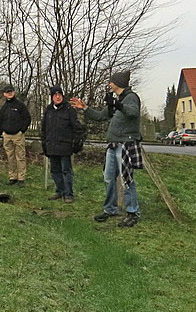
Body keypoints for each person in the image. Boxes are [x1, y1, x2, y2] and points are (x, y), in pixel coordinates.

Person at [70, 70, 143, 228]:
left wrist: (119, 105)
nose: (109, 84)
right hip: (113, 145)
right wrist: (84, 107)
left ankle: (132, 212)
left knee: (126, 179)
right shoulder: (117, 99)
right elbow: (100, 116)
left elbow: (133, 113)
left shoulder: (131, 98)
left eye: (111, 82)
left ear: (118, 83)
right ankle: (110, 209)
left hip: (126, 144)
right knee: (109, 177)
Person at [41, 86, 82, 203]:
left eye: (60, 94)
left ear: (62, 96)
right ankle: (60, 191)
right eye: (55, 95)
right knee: (55, 171)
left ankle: (69, 194)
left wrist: (76, 143)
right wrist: (44, 143)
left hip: (65, 146)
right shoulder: (48, 110)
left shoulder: (69, 110)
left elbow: (77, 128)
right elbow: (44, 129)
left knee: (66, 170)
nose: (57, 97)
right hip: (51, 146)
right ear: (52, 97)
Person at [0, 85, 31, 186]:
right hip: (7, 136)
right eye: (7, 92)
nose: (9, 93)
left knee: (20, 157)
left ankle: (21, 178)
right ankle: (13, 177)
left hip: (18, 135)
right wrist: (1, 132)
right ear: (4, 94)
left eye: (11, 91)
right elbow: (0, 120)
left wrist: (22, 130)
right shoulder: (3, 107)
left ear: (14, 92)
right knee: (10, 157)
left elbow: (27, 118)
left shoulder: (20, 105)